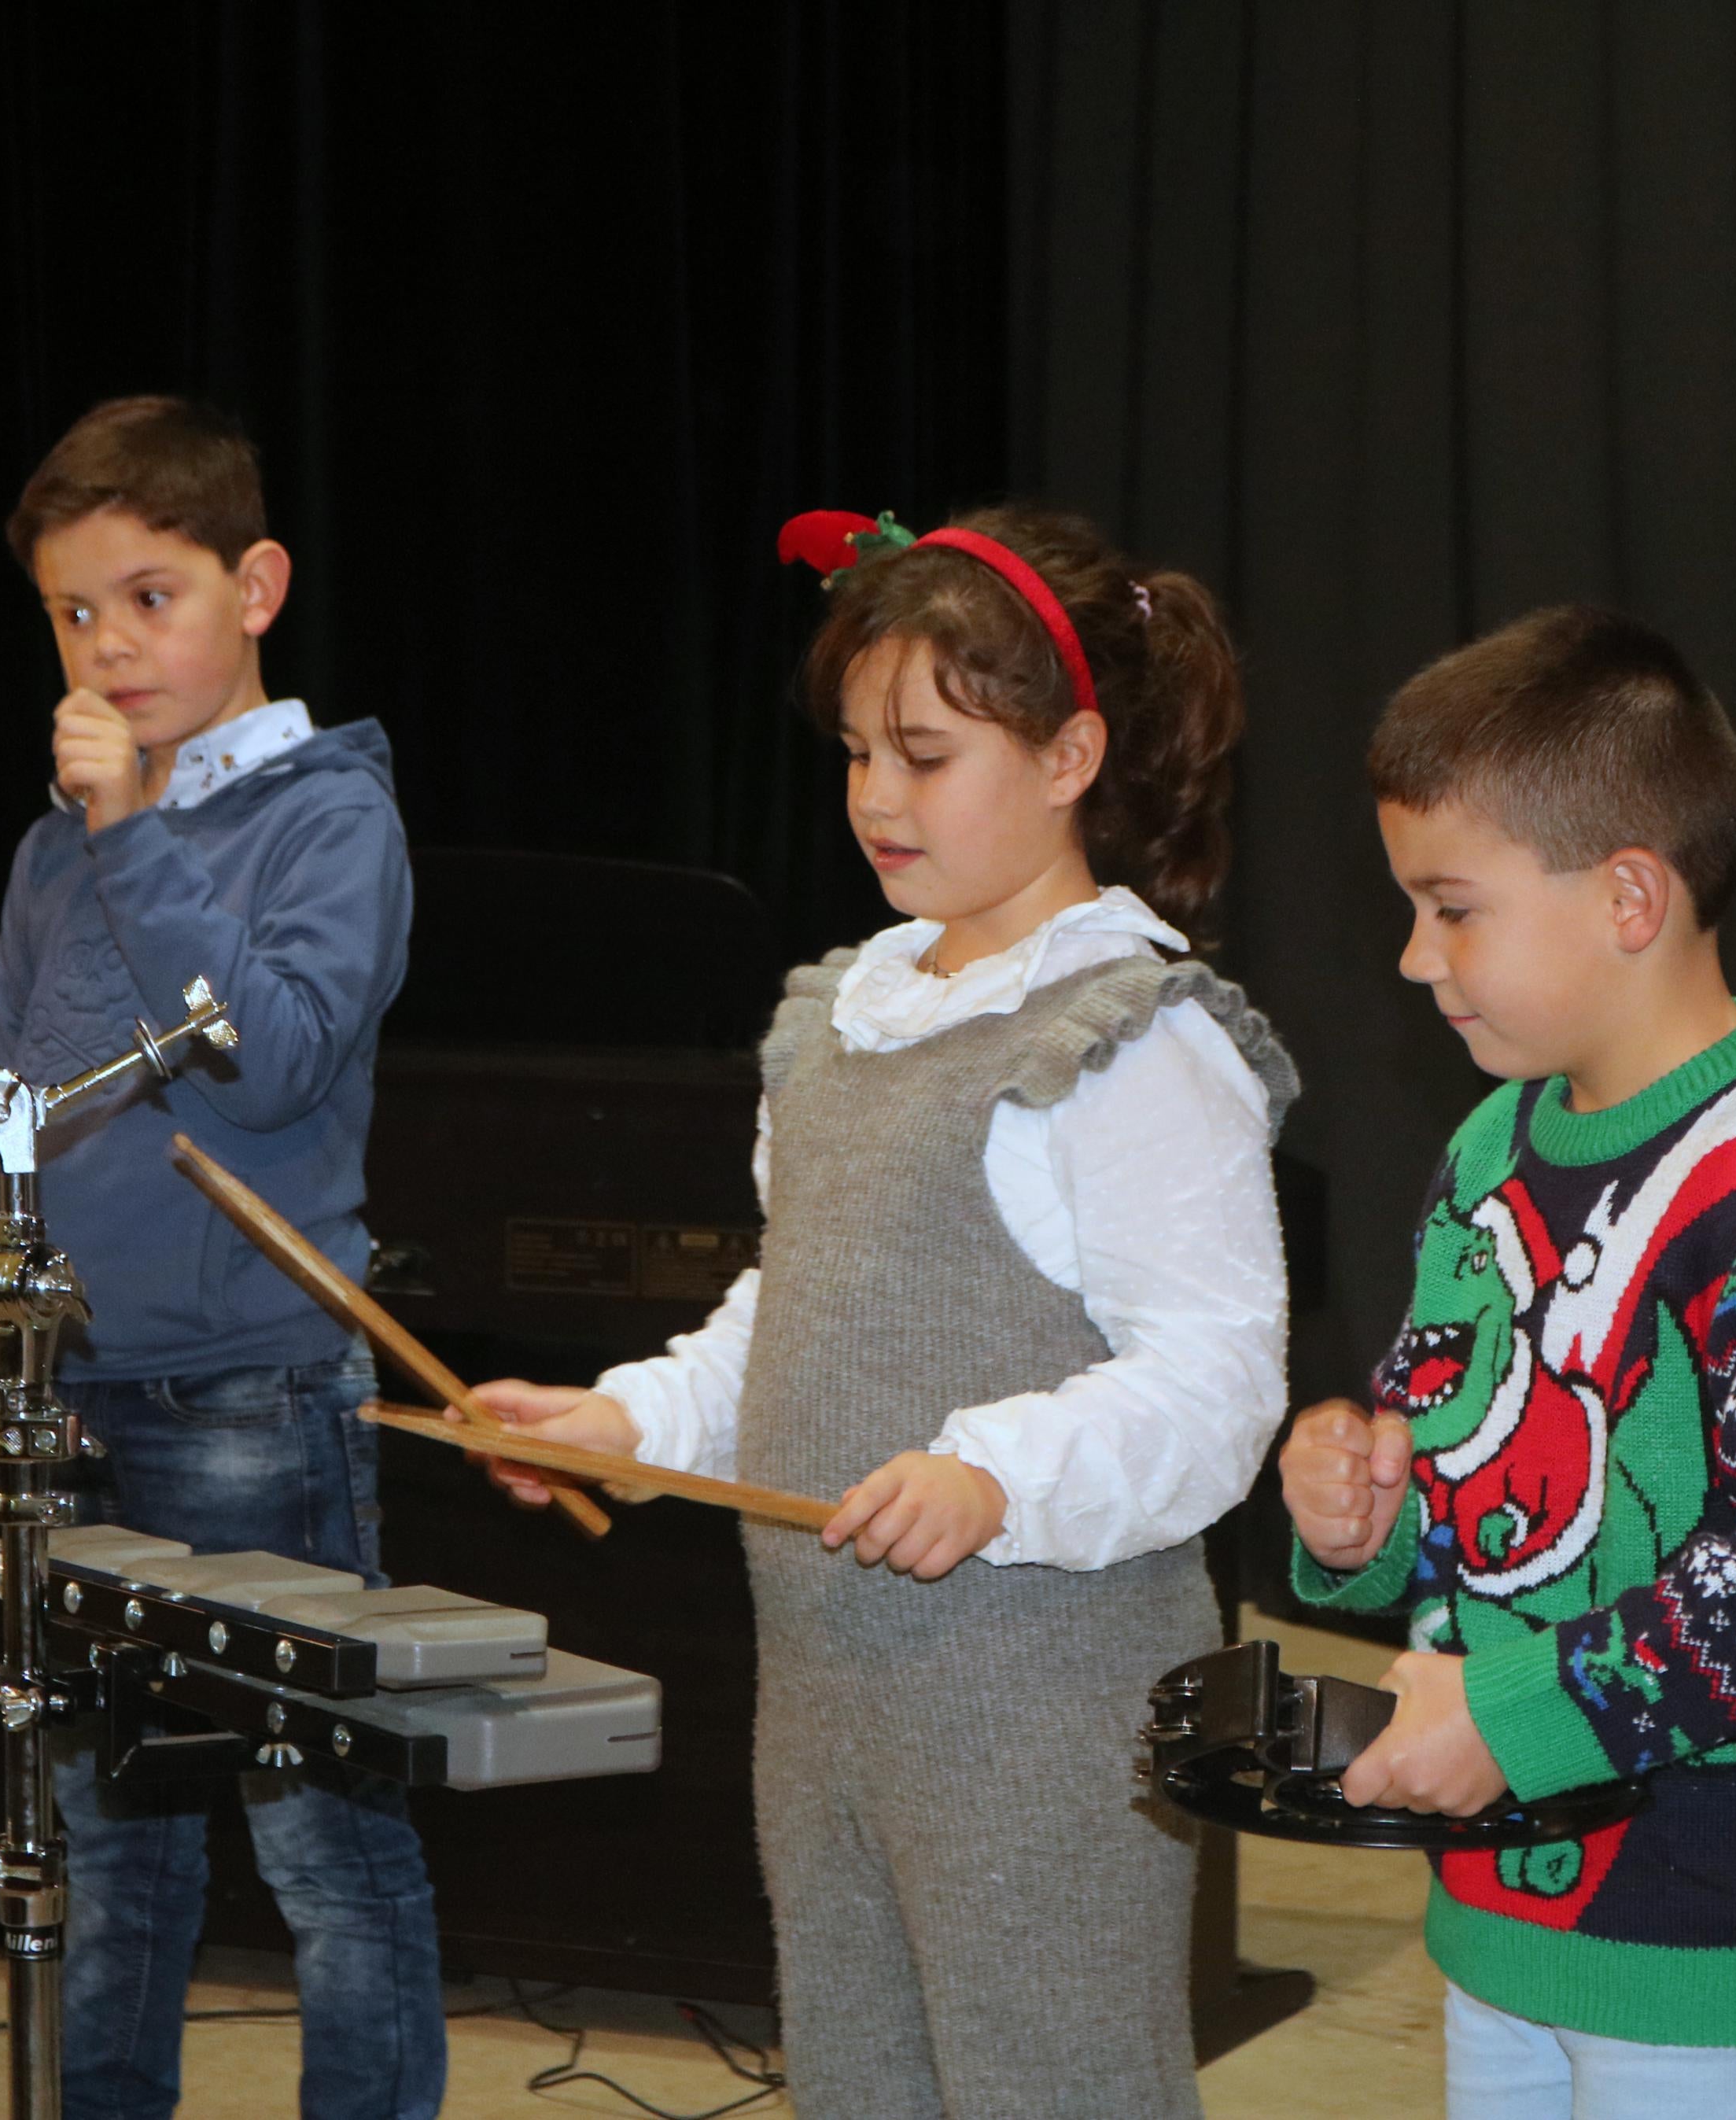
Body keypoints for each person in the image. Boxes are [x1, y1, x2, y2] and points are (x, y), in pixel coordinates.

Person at [476, 505, 1298, 2119]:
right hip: (833, 1696)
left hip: (1041, 1712)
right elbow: (798, 1301)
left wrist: (997, 1470)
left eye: (924, 753)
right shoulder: (847, 1011)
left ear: (1070, 757)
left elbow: (1217, 1382)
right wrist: (635, 1419)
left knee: (1053, 2088)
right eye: (857, 749)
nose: (872, 796)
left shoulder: (1134, 1035)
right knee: (863, 2084)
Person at [1276, 606, 1736, 2120]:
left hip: (1723, 1937)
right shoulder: (1490, 1141)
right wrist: (1364, 1512)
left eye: (1453, 908)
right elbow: (1451, 1440)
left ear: (1630, 896)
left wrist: (1511, 1718)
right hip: (1509, 1906)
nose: (1411, 955)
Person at [0, 395, 440, 2120]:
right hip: (78, 1384)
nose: (110, 646)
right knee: (114, 1850)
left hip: (255, 1388)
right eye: (73, 614)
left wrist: (131, 839)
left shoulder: (327, 819)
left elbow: (274, 1051)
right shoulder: (52, 849)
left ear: (258, 584)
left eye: (149, 597)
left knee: (320, 1839)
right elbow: (19, 1101)